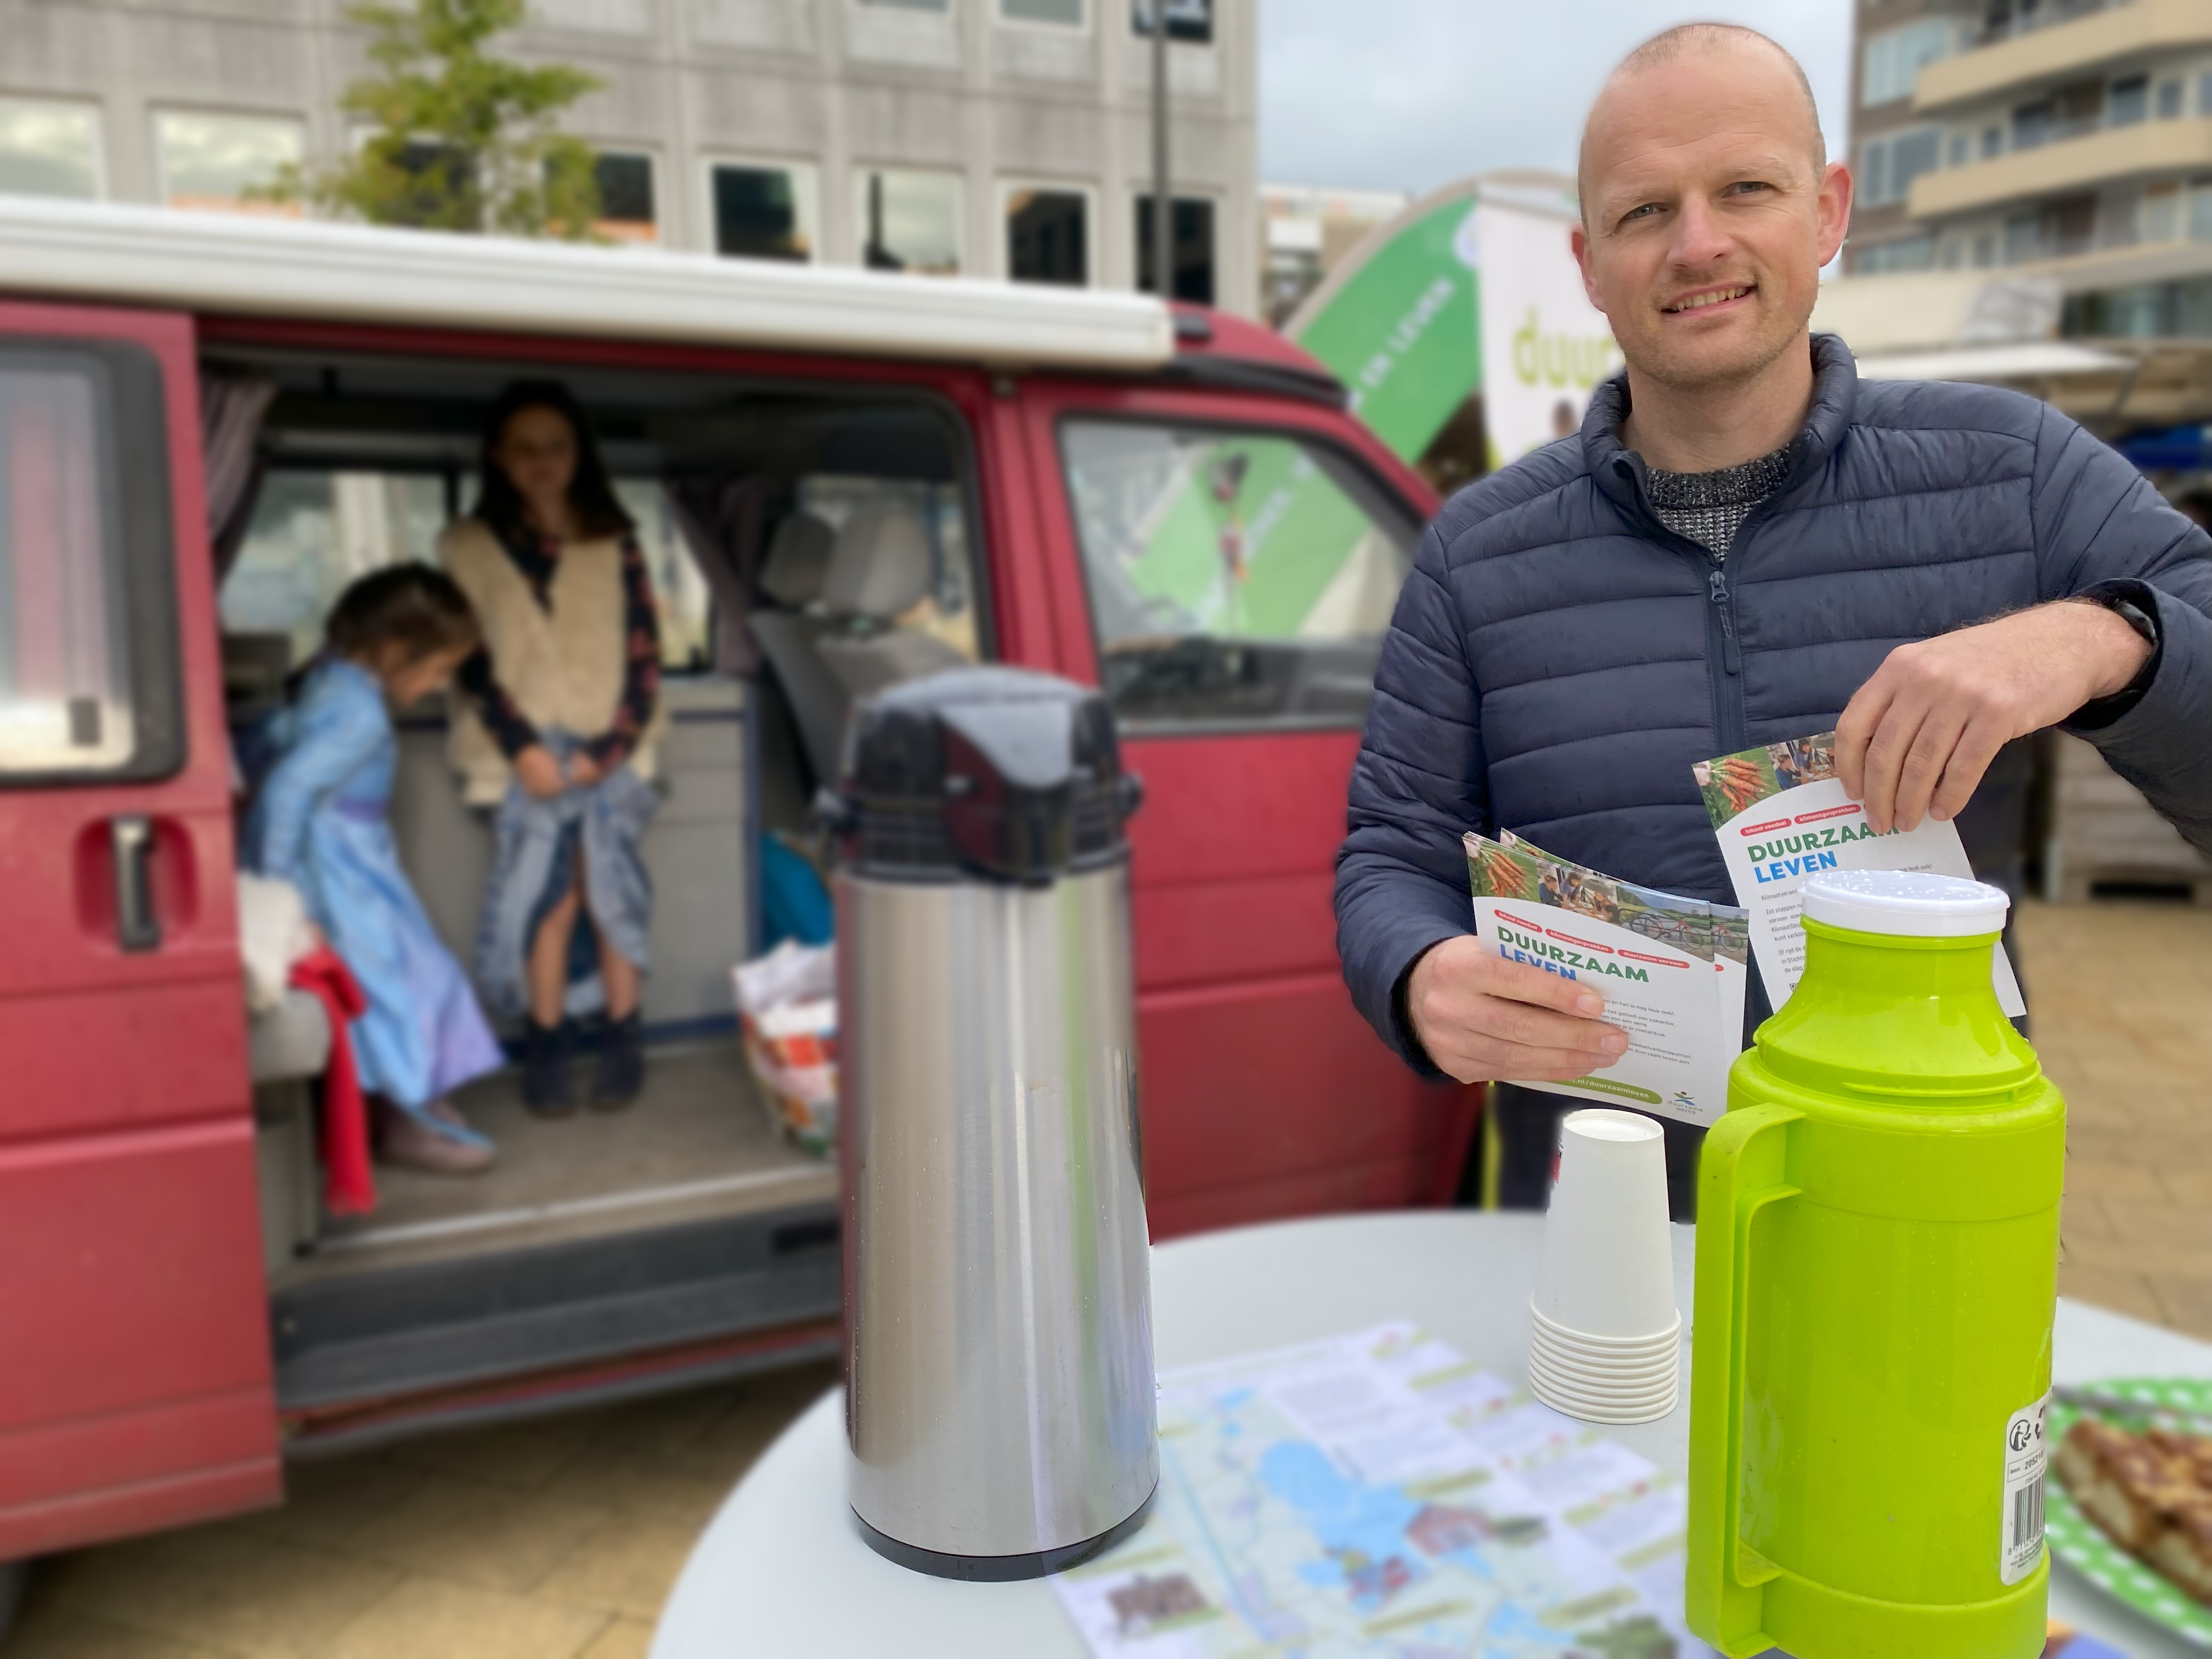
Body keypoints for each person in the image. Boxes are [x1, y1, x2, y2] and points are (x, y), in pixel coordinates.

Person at [1336, 24, 2211, 1218]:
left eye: (1746, 188)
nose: (1699, 244)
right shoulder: (1479, 554)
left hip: (1924, 1221)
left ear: (1830, 209)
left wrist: (2105, 640)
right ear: (1590, 265)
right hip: (1608, 1233)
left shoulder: (2013, 471)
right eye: (1647, 212)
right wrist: (1417, 974)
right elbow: (1392, 853)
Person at [442, 381, 666, 1117]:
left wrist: (612, 747)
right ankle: (547, 1044)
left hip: (611, 749)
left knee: (612, 894)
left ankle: (623, 1038)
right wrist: (523, 750)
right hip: (524, 752)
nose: (543, 462)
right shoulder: (468, 545)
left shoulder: (615, 537)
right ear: (499, 458)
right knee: (549, 900)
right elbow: (469, 657)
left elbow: (645, 654)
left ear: (579, 455)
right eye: (525, 448)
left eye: (557, 447)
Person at [246, 566, 504, 1176]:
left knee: (412, 985)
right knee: (402, 991)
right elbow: (286, 795)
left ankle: (408, 1105)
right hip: (343, 876)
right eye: (439, 669)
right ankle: (411, 1124)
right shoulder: (358, 714)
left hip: (359, 865)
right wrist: (284, 892)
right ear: (392, 653)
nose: (442, 684)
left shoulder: (331, 679)